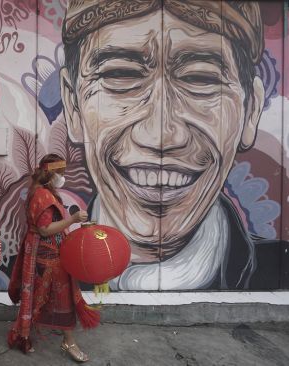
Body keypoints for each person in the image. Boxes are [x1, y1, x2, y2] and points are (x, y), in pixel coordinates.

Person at [59, 1, 287, 290]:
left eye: (201, 78)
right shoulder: (31, 271)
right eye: (120, 75)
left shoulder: (279, 271)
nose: (161, 136)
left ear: (250, 110)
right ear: (73, 106)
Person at [7, 154, 99, 363]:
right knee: (62, 297)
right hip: (48, 256)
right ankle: (68, 341)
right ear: (50, 174)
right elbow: (45, 229)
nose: (63, 177)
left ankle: (22, 335)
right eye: (61, 173)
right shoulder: (43, 196)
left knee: (36, 296)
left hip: (42, 253)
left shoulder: (41, 192)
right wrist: (74, 219)